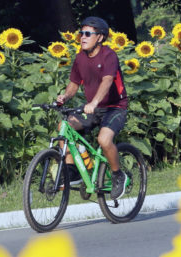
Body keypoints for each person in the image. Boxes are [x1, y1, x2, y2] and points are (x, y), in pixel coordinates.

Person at [56, 16, 129, 200]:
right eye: (81, 33)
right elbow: (74, 83)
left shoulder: (109, 55)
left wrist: (94, 102)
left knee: (104, 140)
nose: (83, 37)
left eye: (88, 34)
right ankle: (74, 170)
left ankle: (117, 175)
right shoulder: (80, 58)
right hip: (92, 108)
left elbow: (107, 80)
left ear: (100, 37)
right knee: (64, 127)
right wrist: (65, 97)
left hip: (114, 108)